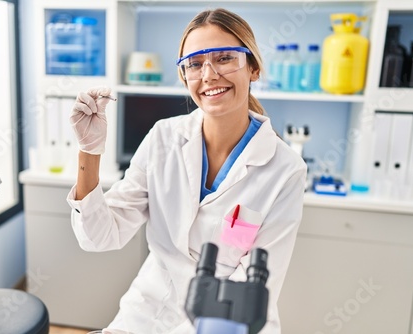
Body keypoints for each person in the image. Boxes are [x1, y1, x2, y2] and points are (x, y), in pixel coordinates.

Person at [67, 7, 307, 334]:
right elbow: (100, 237)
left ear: (253, 68)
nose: (208, 75)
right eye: (194, 64)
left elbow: (251, 286)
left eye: (224, 58)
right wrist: (90, 152)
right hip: (146, 314)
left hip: (228, 323)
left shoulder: (285, 169)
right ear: (184, 77)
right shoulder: (163, 138)